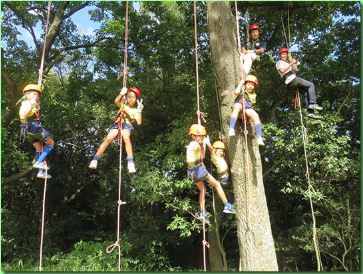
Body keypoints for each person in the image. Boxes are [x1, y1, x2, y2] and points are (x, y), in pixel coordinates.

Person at [186, 124, 235, 223]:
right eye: (198, 136)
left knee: (203, 190)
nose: (200, 138)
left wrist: (203, 145)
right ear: (193, 136)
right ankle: (227, 205)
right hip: (198, 169)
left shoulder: (199, 144)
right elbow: (193, 149)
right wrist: (201, 146)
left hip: (191, 172)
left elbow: (202, 156)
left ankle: (202, 213)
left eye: (202, 136)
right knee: (217, 184)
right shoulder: (194, 144)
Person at [89, 86, 144, 173]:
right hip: (118, 123)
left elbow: (139, 122)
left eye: (133, 97)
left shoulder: (135, 110)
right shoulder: (123, 105)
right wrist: (121, 94)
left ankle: (130, 163)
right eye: (129, 97)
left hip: (127, 125)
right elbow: (116, 101)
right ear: (127, 98)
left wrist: (139, 111)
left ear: (136, 99)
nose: (131, 99)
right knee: (108, 139)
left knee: (126, 137)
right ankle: (95, 159)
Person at [19, 84, 54, 179]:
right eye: (33, 94)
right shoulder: (27, 104)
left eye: (37, 95)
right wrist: (32, 105)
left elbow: (37, 108)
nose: (36, 96)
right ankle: (39, 163)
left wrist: (36, 103)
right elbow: (23, 115)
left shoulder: (33, 104)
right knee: (51, 143)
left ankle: (41, 172)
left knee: (39, 148)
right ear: (26, 95)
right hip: (32, 127)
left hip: (27, 131)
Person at [275, 47, 323, 119]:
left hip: (292, 82)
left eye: (285, 54)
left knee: (306, 93)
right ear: (280, 55)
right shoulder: (279, 63)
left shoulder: (287, 63)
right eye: (282, 54)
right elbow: (282, 70)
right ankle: (313, 103)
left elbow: (296, 69)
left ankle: (310, 112)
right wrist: (291, 63)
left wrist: (292, 60)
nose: (284, 55)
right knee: (311, 85)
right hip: (292, 80)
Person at [228, 75, 265, 146]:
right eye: (249, 84)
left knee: (256, 116)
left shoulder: (253, 95)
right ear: (245, 85)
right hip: (240, 102)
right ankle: (231, 128)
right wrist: (241, 83)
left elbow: (252, 106)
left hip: (248, 107)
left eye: (252, 85)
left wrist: (251, 117)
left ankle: (259, 137)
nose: (251, 86)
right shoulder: (242, 89)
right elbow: (236, 92)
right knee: (237, 107)